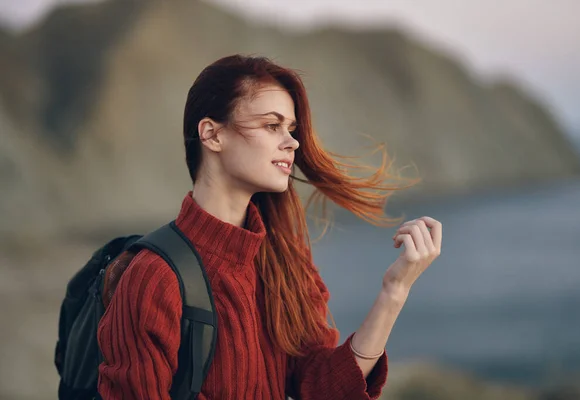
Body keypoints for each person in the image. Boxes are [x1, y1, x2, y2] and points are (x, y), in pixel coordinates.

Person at [96, 54, 442, 400]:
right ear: (212, 134)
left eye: (291, 129)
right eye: (272, 125)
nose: (292, 142)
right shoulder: (153, 277)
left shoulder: (284, 262)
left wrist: (394, 291)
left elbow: (321, 389)